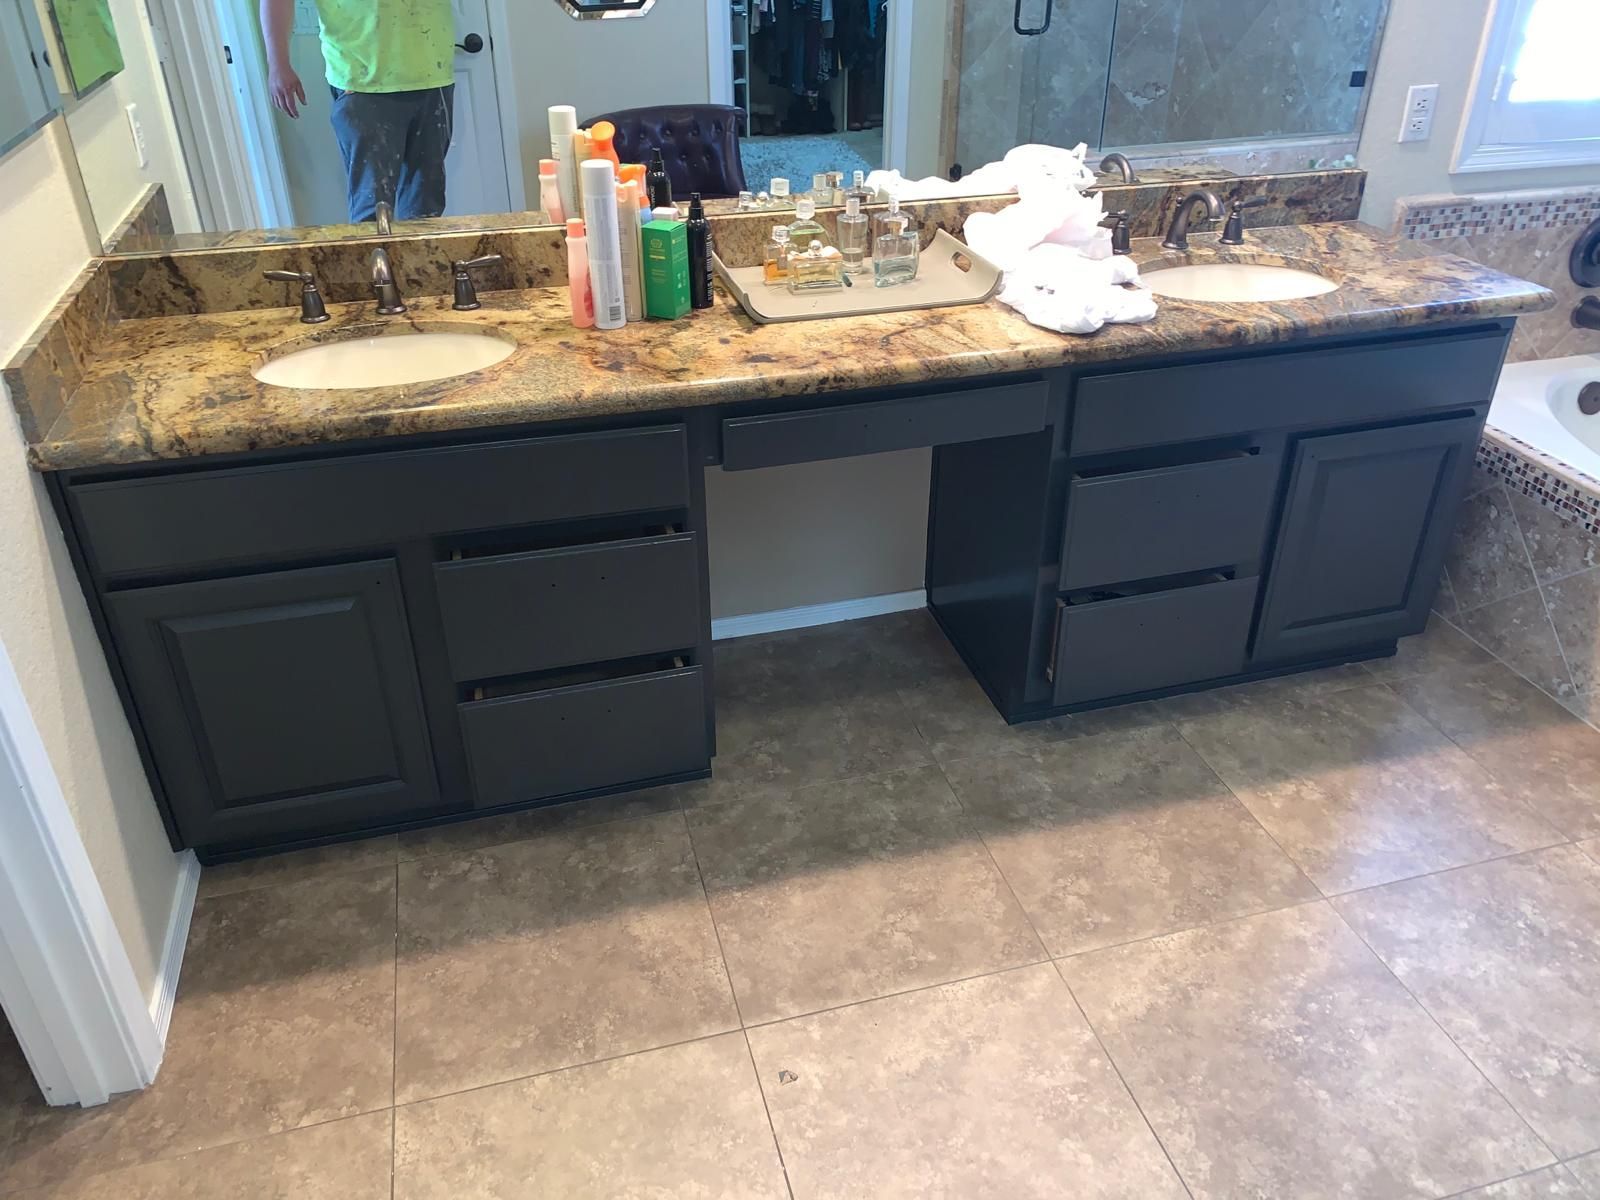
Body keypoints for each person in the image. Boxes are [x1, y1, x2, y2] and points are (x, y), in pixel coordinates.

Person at [261, 0, 456, 223]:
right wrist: (277, 64)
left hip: (432, 77)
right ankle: (375, 258)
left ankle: (418, 259)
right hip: (361, 85)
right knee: (372, 213)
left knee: (426, 208)